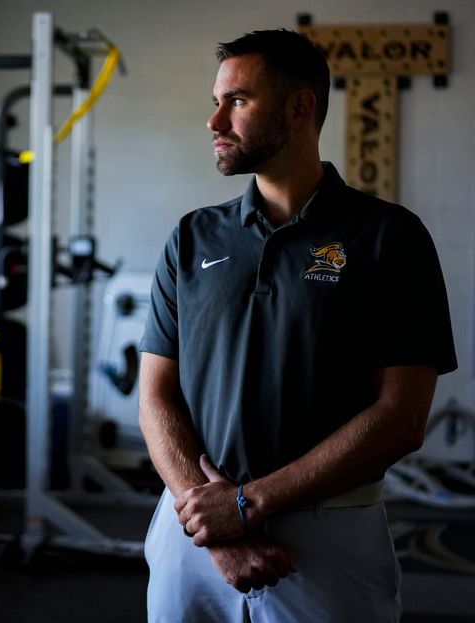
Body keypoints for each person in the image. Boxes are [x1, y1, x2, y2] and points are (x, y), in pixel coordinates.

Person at [138, 28, 457, 623]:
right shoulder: (192, 237)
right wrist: (218, 527)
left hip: (325, 538)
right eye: (216, 100)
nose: (214, 121)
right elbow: (155, 398)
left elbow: (401, 419)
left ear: (299, 107)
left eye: (236, 100)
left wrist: (248, 504)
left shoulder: (390, 237)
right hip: (192, 531)